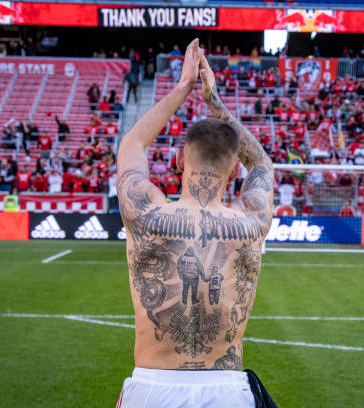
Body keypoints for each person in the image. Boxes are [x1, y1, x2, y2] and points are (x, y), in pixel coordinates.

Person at [115, 39, 274, 407]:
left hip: (151, 388)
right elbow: (263, 165)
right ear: (235, 170)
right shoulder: (251, 220)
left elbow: (132, 145)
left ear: (177, 161)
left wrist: (183, 86)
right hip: (228, 390)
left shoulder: (147, 213)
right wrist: (214, 101)